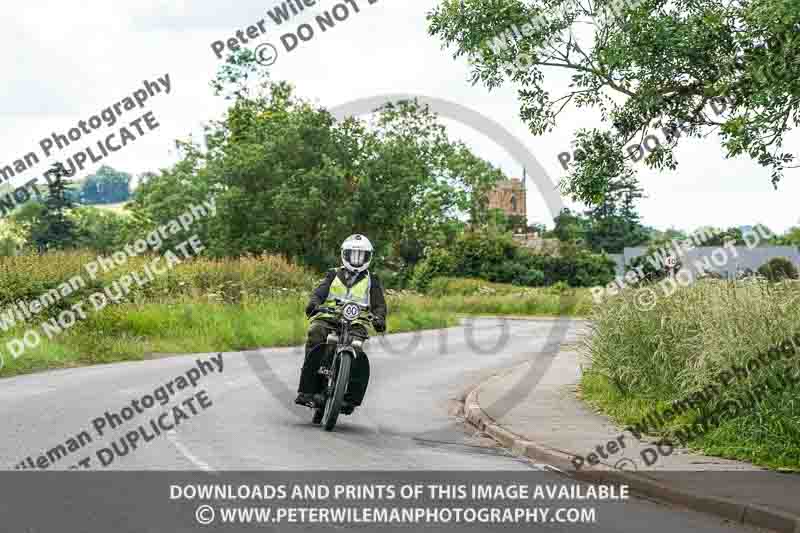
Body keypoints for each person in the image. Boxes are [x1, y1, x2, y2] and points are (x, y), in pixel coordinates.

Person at [295, 234, 387, 414]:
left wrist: (379, 318)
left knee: (357, 347)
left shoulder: (372, 280)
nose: (357, 259)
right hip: (329, 316)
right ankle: (307, 389)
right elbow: (319, 292)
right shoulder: (332, 274)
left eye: (361, 256)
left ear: (368, 257)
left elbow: (379, 304)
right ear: (345, 254)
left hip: (357, 321)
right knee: (315, 333)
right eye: (353, 255)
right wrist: (314, 303)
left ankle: (350, 398)